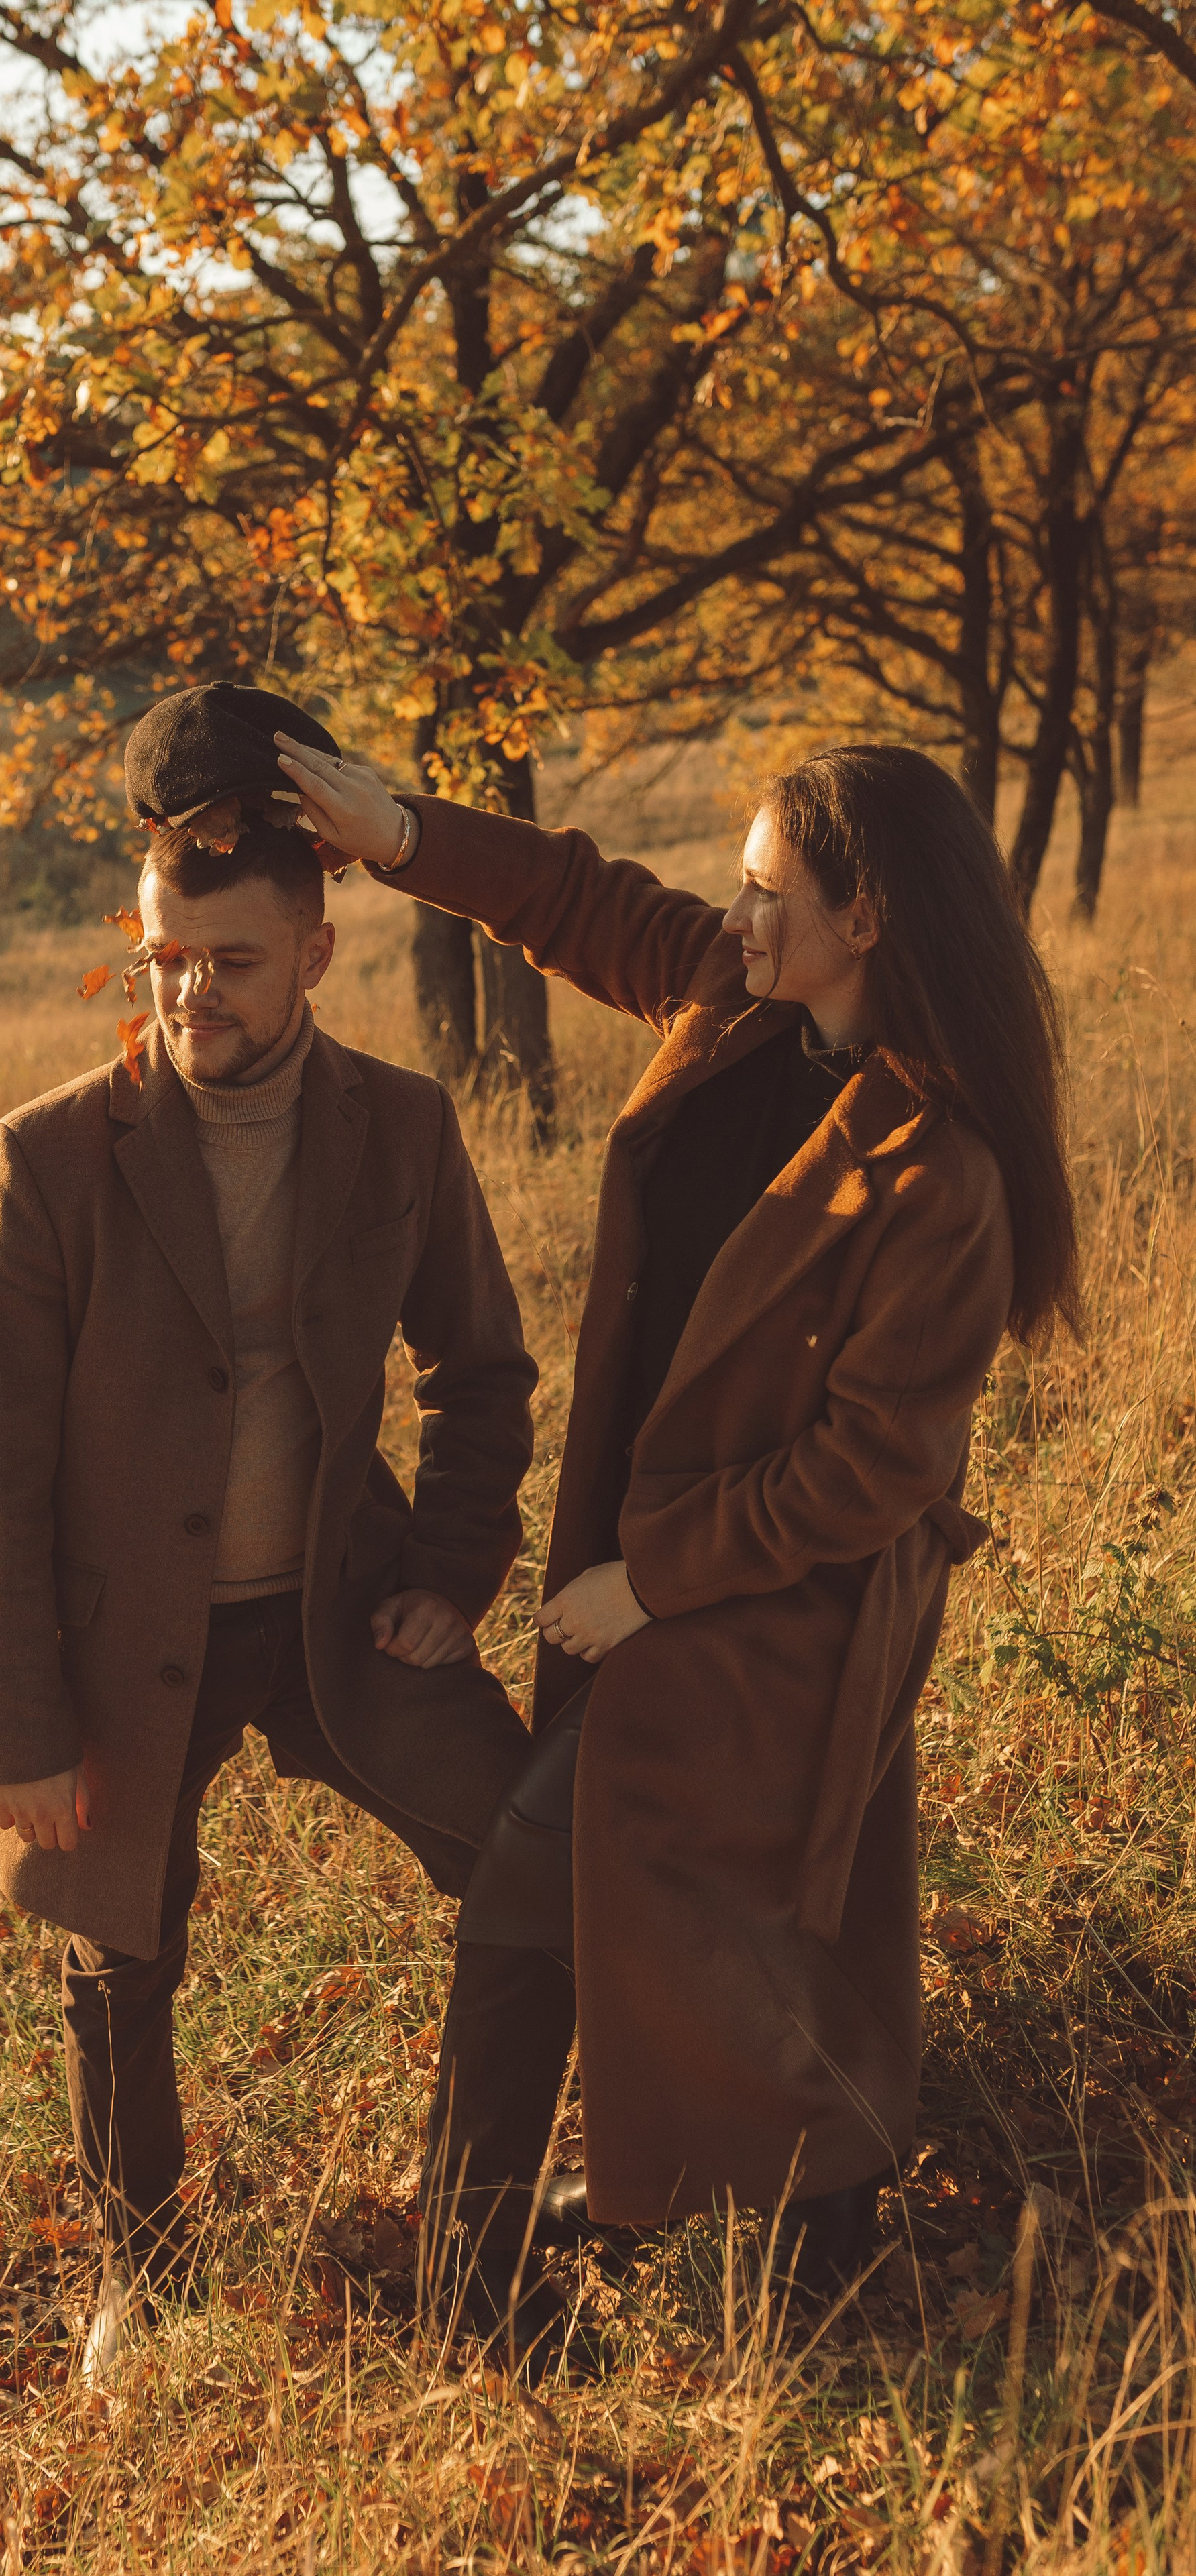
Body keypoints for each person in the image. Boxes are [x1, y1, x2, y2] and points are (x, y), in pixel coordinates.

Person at [274, 732, 1079, 2349]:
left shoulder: (945, 1175)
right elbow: (573, 899)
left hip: (779, 1602)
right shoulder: (732, 1000)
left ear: (866, 920)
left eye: (768, 890)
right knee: (720, 1903)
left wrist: (648, 1584)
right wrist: (398, 832)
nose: (737, 914)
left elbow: (871, 1468)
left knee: (574, 1869)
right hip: (649, 1562)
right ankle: (756, 2209)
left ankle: (483, 2273)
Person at [0, 682, 537, 2380]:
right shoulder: (46, 1161)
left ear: (316, 950)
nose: (190, 993)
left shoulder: (403, 1129)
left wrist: (450, 1574)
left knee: (531, 1857)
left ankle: (480, 2240)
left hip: (345, 1611)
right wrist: (23, 1730)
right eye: (164, 961)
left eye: (231, 963)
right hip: (130, 1640)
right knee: (118, 1952)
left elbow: (480, 1371)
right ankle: (142, 2277)